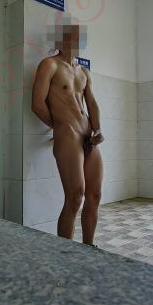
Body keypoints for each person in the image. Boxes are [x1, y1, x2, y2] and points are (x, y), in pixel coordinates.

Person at [30, 19, 104, 246]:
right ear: (61, 39)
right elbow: (37, 104)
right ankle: (65, 254)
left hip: (88, 134)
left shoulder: (84, 71)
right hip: (68, 134)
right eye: (74, 36)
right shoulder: (49, 65)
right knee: (75, 197)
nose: (79, 41)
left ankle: (89, 246)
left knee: (95, 195)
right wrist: (60, 126)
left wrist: (98, 129)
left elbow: (92, 104)